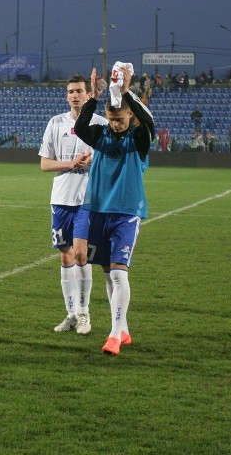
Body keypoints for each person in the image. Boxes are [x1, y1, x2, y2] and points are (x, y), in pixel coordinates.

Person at [76, 63, 155, 356]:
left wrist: (126, 92)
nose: (115, 124)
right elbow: (80, 127)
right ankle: (123, 329)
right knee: (109, 274)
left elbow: (149, 125)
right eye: (111, 119)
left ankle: (113, 334)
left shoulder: (139, 139)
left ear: (129, 116)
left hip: (126, 212)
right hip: (98, 209)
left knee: (120, 274)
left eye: (120, 119)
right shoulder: (102, 134)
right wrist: (95, 96)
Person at [39, 74, 108, 336]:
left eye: (79, 91)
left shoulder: (101, 124)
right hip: (61, 199)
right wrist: (71, 164)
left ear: (88, 94)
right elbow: (45, 164)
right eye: (71, 92)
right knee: (65, 255)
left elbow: (110, 160)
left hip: (88, 200)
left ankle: (84, 313)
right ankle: (71, 313)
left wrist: (93, 163)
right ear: (67, 96)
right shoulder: (56, 123)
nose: (75, 95)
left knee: (81, 254)